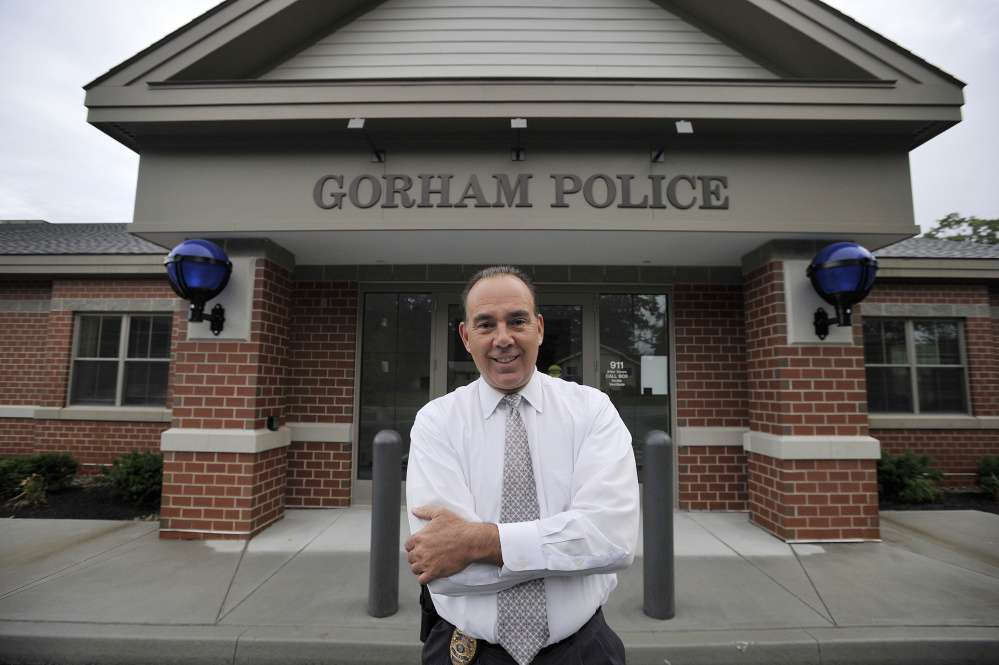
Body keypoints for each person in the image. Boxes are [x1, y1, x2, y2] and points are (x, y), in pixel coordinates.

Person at [405, 266, 640, 665]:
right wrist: (565, 551)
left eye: (517, 321)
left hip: (583, 650)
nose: (503, 339)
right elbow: (446, 569)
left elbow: (612, 541)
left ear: (539, 328)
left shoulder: (592, 411)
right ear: (466, 336)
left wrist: (478, 543)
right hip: (470, 653)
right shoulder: (436, 422)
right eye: (485, 324)